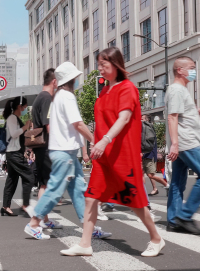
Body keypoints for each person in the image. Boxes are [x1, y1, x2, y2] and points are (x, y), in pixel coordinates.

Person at [63, 47, 163, 257]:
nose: (99, 68)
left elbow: (124, 118)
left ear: (116, 64)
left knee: (134, 201)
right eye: (98, 64)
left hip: (122, 154)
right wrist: (95, 143)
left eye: (103, 64)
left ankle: (156, 237)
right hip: (104, 155)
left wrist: (104, 141)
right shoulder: (104, 91)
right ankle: (84, 244)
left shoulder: (127, 88)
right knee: (91, 197)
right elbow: (102, 123)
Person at [25, 62, 101, 240]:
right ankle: (34, 223)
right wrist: (94, 141)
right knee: (55, 189)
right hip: (64, 151)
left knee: (78, 188)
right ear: (72, 79)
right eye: (75, 78)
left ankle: (88, 226)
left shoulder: (57, 96)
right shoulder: (66, 97)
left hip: (66, 150)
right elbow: (78, 124)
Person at [164, 56, 200, 235]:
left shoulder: (180, 90)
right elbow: (172, 117)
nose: (194, 71)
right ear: (180, 70)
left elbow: (180, 115)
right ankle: (184, 216)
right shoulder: (177, 89)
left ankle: (173, 220)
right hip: (187, 142)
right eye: (191, 68)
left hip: (184, 142)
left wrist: (196, 112)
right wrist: (175, 144)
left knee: (177, 183)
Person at [0, 96, 35, 216]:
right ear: (19, 107)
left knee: (12, 181)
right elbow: (15, 134)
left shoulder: (15, 118)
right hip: (14, 154)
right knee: (29, 176)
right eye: (24, 107)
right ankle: (25, 205)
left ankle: (5, 206)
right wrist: (25, 127)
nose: (24, 110)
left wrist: (28, 128)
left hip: (15, 153)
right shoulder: (12, 118)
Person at [31, 68, 56, 199]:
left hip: (39, 146)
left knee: (44, 184)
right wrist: (55, 145)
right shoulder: (46, 98)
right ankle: (40, 217)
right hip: (46, 146)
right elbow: (48, 124)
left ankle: (42, 217)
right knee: (47, 183)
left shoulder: (39, 97)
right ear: (54, 81)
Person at [142, 115, 168, 196]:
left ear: (146, 120)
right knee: (142, 174)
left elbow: (149, 144)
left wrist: (143, 152)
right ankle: (144, 193)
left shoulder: (148, 129)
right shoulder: (143, 129)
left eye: (142, 119)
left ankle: (167, 185)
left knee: (151, 175)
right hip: (144, 155)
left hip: (149, 155)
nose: (140, 120)